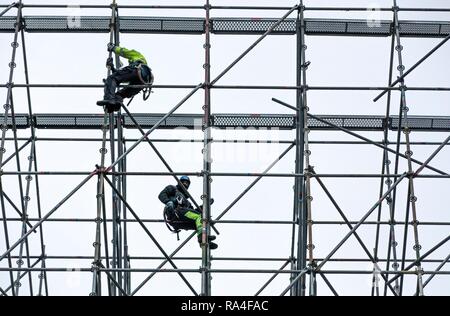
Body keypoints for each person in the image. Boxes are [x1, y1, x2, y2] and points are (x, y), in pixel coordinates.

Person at [158, 176, 218, 250]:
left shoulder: (187, 202)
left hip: (180, 220)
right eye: (183, 182)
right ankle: (202, 238)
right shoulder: (173, 189)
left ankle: (204, 241)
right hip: (175, 212)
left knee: (202, 221)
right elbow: (162, 194)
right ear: (179, 182)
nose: (185, 184)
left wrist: (204, 205)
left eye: (187, 183)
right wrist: (168, 202)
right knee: (200, 217)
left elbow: (193, 212)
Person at [97, 44, 154, 112]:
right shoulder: (143, 70)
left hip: (137, 70)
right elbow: (124, 77)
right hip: (143, 83)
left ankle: (109, 99)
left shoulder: (137, 56)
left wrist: (114, 48)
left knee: (111, 79)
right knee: (120, 94)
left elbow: (124, 52)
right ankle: (115, 105)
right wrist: (112, 68)